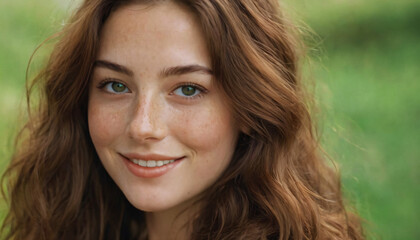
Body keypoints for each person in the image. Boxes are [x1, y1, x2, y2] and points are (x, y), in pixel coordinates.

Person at [1, 0, 365, 239]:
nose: (142, 126)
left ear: (252, 107)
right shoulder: (66, 225)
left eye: (188, 89)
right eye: (115, 85)